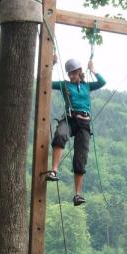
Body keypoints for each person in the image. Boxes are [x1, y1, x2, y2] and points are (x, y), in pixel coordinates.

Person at [47, 57, 106, 206]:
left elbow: (102, 82)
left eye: (74, 73)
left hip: (84, 123)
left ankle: (77, 194)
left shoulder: (86, 86)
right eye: (70, 74)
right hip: (70, 119)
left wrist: (93, 70)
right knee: (60, 135)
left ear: (79, 72)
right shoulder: (65, 85)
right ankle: (54, 170)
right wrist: (52, 65)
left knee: (80, 158)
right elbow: (45, 82)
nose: (72, 76)